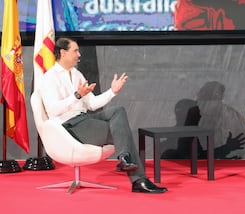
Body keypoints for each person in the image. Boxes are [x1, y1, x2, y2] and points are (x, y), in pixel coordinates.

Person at [40, 37, 167, 193]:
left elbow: (92, 104)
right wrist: (76, 96)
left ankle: (125, 159)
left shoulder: (77, 74)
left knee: (118, 111)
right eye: (75, 51)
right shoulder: (49, 78)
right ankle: (138, 179)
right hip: (69, 127)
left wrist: (112, 91)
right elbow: (53, 110)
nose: (79, 54)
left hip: (84, 118)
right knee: (120, 131)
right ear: (63, 53)